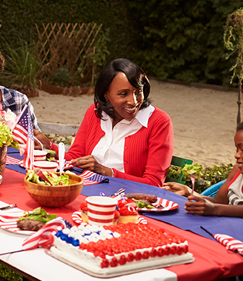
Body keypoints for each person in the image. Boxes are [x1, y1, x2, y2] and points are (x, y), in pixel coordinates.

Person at [60, 58, 173, 187]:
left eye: (138, 92)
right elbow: (75, 157)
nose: (133, 101)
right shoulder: (96, 111)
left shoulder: (159, 122)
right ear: (106, 94)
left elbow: (153, 183)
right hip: (88, 189)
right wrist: (48, 147)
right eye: (123, 94)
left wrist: (108, 172)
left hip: (128, 199)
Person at [164, 117, 243, 225]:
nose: (236, 155)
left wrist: (215, 210)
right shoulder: (237, 172)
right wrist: (188, 192)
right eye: (236, 150)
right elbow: (218, 202)